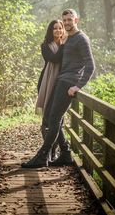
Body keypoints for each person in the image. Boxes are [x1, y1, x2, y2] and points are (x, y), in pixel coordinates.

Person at [22, 8, 95, 168]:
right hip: (60, 81)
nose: (67, 23)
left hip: (69, 82)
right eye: (65, 20)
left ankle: (42, 156)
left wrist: (78, 86)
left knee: (54, 118)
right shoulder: (68, 38)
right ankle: (66, 153)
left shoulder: (82, 39)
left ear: (76, 20)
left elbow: (90, 65)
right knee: (50, 117)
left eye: (70, 19)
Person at [35, 20, 66, 160]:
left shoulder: (68, 44)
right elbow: (54, 58)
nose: (58, 30)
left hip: (62, 85)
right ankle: (48, 152)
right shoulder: (45, 46)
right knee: (48, 119)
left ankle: (54, 151)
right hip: (47, 84)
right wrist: (64, 45)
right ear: (51, 30)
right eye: (55, 28)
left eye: (61, 28)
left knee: (59, 120)